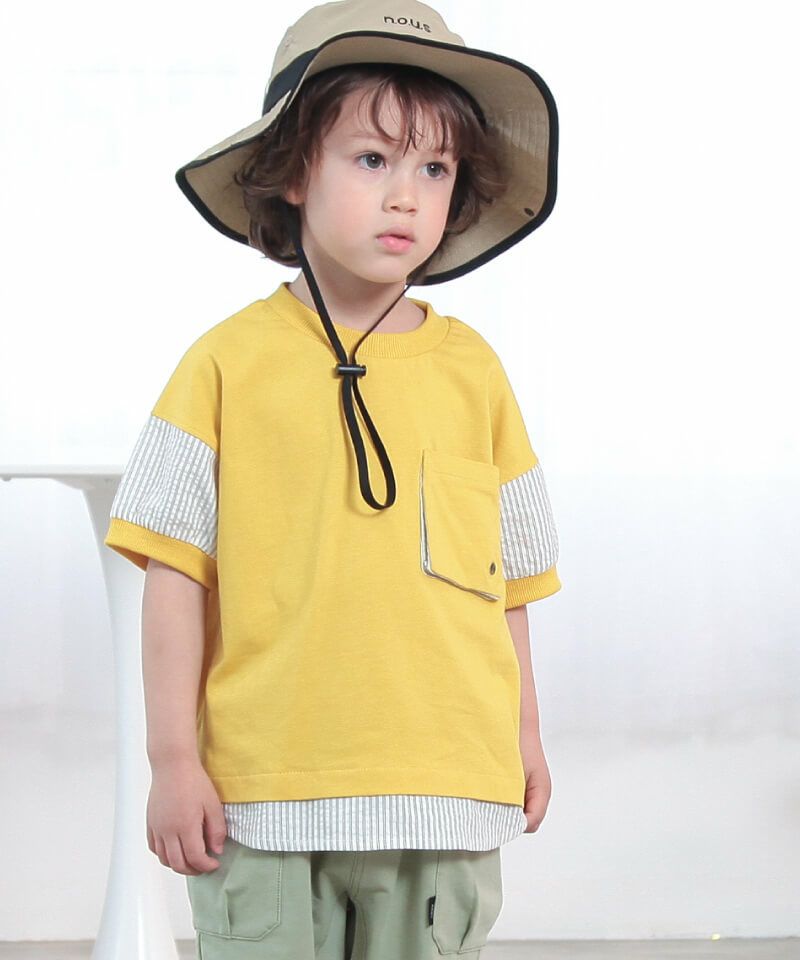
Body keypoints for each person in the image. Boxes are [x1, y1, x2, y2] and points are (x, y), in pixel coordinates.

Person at [103, 0, 562, 957]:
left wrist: (524, 737)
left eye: (434, 169)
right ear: (292, 171)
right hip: (264, 795)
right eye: (372, 158)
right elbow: (173, 576)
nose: (407, 197)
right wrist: (172, 759)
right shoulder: (223, 365)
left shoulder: (475, 373)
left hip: (443, 793)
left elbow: (509, 588)